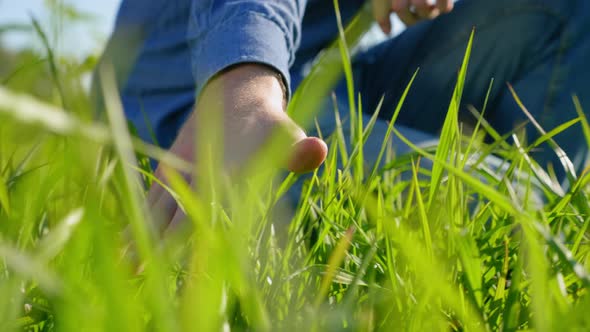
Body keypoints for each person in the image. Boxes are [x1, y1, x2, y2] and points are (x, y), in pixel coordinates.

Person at [97, 0, 590, 230]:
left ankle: (538, 224)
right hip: (191, 104)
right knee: (523, 212)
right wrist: (241, 87)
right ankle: (539, 232)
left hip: (315, 84)